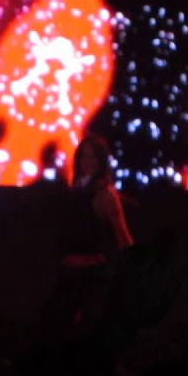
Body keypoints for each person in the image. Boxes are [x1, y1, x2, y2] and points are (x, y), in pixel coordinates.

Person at [41, 134, 134, 335]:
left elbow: (122, 236)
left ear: (101, 161)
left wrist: (132, 276)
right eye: (83, 156)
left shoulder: (105, 193)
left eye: (92, 157)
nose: (87, 161)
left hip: (91, 278)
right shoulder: (74, 190)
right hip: (68, 274)